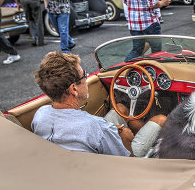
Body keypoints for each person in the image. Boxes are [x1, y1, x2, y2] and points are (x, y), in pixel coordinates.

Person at [32, 51, 166, 157]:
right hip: (119, 161)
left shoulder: (40, 114)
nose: (86, 78)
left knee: (120, 108)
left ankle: (137, 128)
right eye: (84, 75)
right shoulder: (98, 127)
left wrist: (112, 131)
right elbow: (126, 162)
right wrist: (125, 136)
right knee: (161, 119)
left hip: (75, 161)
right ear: (74, 89)